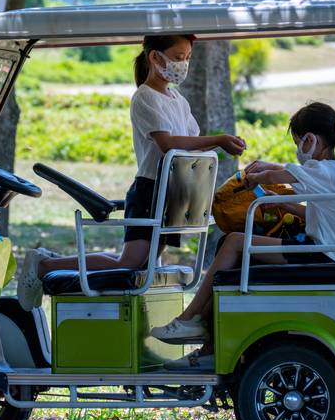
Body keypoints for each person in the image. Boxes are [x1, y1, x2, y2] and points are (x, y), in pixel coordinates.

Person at [16, 34, 247, 311]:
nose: (182, 64)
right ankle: (43, 265)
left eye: (186, 58)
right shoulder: (145, 98)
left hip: (173, 192)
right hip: (150, 190)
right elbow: (168, 144)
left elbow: (189, 146)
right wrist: (219, 140)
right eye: (177, 57)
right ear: (154, 57)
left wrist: (217, 146)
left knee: (144, 265)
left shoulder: (177, 100)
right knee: (128, 262)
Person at [150, 102, 335, 370]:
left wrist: (256, 178)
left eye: (298, 143)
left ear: (310, 140)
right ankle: (207, 344)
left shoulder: (321, 170)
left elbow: (276, 175)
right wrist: (285, 205)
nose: (298, 150)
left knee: (234, 241)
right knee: (238, 247)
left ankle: (190, 317)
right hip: (331, 252)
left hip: (322, 255)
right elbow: (324, 218)